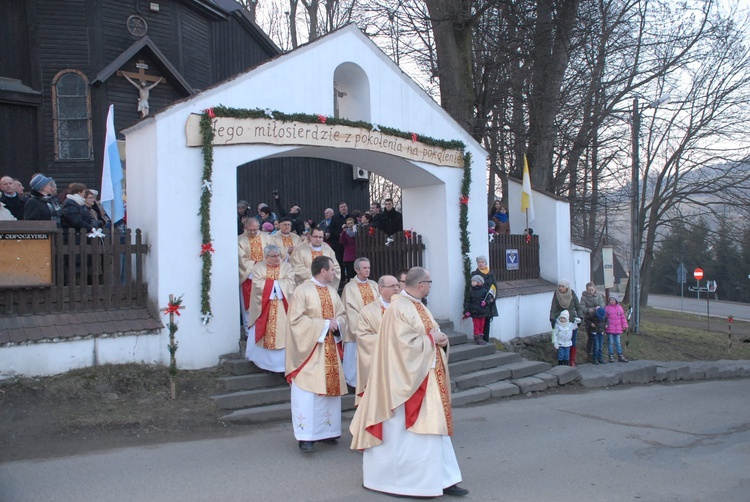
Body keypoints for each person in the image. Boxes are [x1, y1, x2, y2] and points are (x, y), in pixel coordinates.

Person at [349, 267, 467, 498]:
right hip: (405, 384)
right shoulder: (399, 308)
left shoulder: (417, 305)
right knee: (411, 432)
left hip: (425, 375)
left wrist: (439, 340)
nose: (431, 285)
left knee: (434, 430)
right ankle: (405, 482)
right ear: (422, 284)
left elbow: (428, 333)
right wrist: (431, 339)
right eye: (430, 282)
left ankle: (443, 478)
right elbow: (400, 346)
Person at [285, 255, 347, 453]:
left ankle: (328, 432)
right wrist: (325, 325)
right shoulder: (303, 291)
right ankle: (306, 437)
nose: (334, 273)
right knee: (308, 395)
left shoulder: (332, 292)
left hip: (330, 351)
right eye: (332, 270)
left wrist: (338, 325)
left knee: (328, 395)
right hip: (309, 353)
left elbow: (342, 315)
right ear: (322, 271)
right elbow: (295, 321)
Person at [245, 245, 295, 373]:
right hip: (264, 306)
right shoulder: (258, 267)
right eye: (273, 256)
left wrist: (274, 284)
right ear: (266, 256)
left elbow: (290, 283)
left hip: (282, 306)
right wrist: (277, 283)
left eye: (278, 255)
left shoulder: (287, 267)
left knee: (283, 334)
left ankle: (282, 366)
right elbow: (257, 285)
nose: (277, 258)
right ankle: (263, 364)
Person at [352, 275, 398, 404]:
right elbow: (363, 337)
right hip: (380, 362)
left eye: (397, 285)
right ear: (381, 289)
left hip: (401, 362)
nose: (396, 289)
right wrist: (388, 339)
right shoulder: (368, 311)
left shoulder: (405, 308)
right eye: (392, 286)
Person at [340, 257, 379, 388]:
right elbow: (350, 310)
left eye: (368, 267)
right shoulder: (349, 287)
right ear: (357, 270)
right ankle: (352, 383)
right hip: (358, 328)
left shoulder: (374, 285)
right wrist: (363, 327)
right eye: (364, 268)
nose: (367, 270)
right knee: (354, 357)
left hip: (374, 328)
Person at [238, 218, 271, 328]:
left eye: (255, 230)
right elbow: (241, 259)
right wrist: (256, 265)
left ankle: (265, 327)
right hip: (249, 276)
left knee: (265, 302)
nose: (252, 232)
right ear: (245, 228)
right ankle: (248, 329)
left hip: (266, 275)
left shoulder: (266, 237)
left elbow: (273, 253)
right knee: (248, 305)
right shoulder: (240, 240)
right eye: (250, 230)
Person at [549, 279, 583, 366]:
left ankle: (571, 360)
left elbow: (578, 307)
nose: (560, 288)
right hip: (560, 321)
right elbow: (553, 308)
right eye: (559, 286)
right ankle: (561, 361)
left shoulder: (572, 294)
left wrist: (580, 317)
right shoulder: (556, 294)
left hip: (571, 321)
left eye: (562, 286)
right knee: (560, 342)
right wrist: (552, 319)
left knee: (572, 341)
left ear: (567, 287)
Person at [470, 256, 498, 343]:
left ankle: (486, 339)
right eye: (479, 262)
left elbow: (495, 287)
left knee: (487, 322)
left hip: (488, 302)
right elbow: (471, 288)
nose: (481, 264)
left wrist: (492, 299)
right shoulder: (474, 274)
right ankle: (479, 339)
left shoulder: (491, 274)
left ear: (486, 263)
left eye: (482, 262)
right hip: (478, 302)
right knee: (478, 322)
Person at [580, 282, 606, 361]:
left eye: (592, 290)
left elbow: (603, 304)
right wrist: (588, 310)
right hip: (589, 318)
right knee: (591, 337)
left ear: (595, 289)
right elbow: (582, 306)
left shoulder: (599, 296)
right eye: (589, 290)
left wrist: (600, 307)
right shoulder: (584, 297)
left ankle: (598, 354)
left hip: (598, 318)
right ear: (587, 290)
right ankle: (589, 353)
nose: (591, 291)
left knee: (599, 337)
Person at [464, 275, 491, 345]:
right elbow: (468, 302)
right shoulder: (471, 291)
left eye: (474, 281)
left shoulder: (484, 291)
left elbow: (489, 299)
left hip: (483, 312)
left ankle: (481, 337)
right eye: (472, 281)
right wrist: (467, 311)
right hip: (475, 312)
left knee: (482, 325)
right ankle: (477, 338)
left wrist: (486, 302)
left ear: (479, 282)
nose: (472, 283)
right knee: (476, 325)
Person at [605, 296, 629, 363]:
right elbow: (605, 318)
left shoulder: (619, 308)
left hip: (618, 328)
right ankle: (611, 355)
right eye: (611, 300)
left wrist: (624, 325)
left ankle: (620, 355)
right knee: (610, 342)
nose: (612, 301)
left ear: (616, 301)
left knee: (618, 342)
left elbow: (622, 317)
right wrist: (605, 325)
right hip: (610, 328)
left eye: (613, 300)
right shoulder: (607, 308)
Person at [338, 217, 358, 282]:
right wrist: (343, 232)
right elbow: (341, 241)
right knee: (350, 274)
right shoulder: (345, 232)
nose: (350, 225)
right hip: (348, 256)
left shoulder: (357, 231)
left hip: (356, 254)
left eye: (351, 223)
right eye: (348, 223)